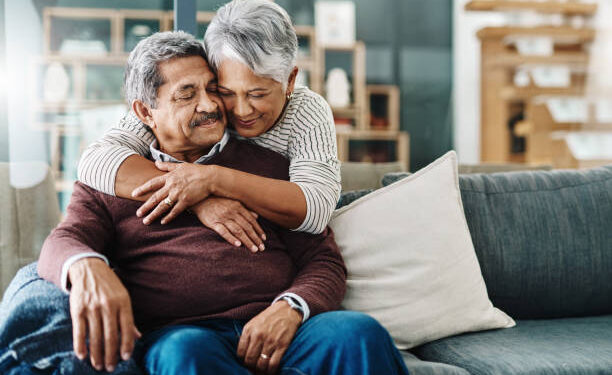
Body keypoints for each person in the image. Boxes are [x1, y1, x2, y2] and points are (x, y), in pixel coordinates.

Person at [35, 31, 410, 375]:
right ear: (145, 113)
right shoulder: (111, 180)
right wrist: (86, 267)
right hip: (186, 335)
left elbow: (323, 259)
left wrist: (291, 307)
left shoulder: (267, 167)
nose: (210, 105)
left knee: (356, 333)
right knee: (185, 351)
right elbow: (61, 243)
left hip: (283, 332)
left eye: (213, 89)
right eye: (186, 95)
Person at [78, 0, 340, 253]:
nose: (240, 110)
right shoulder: (195, 106)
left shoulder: (306, 111)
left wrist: (213, 179)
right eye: (225, 91)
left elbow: (316, 210)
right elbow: (95, 162)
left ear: (290, 80)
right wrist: (200, 199)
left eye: (257, 94)